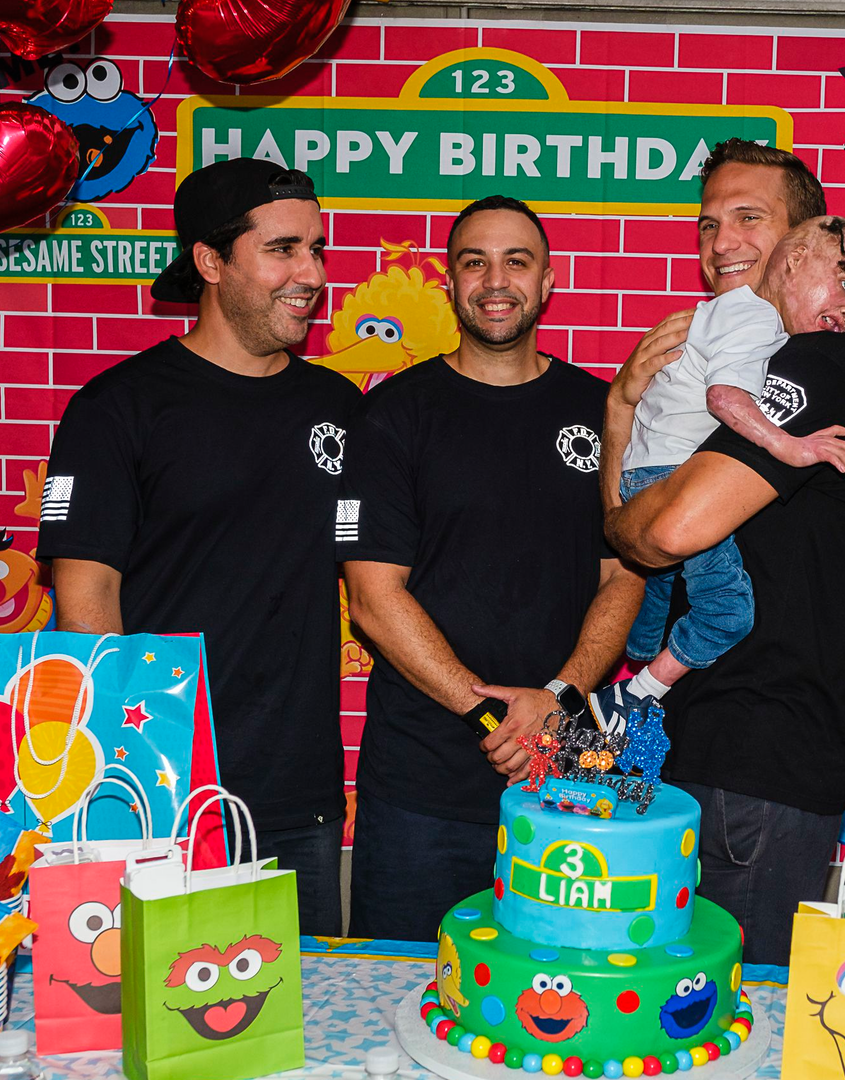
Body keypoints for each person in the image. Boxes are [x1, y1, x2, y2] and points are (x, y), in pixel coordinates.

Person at [40, 158, 360, 937]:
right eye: (284, 249)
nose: (310, 273)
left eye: (316, 251)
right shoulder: (118, 408)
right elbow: (86, 603)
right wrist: (134, 778)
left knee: (304, 1028)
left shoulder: (337, 406)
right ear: (210, 262)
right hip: (163, 795)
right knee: (167, 1022)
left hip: (299, 794)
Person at [601, 141, 845, 964]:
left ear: (809, 236)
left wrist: (631, 523)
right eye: (708, 223)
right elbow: (632, 541)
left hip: (756, 761)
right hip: (687, 745)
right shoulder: (733, 354)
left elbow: (660, 532)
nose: (721, 241)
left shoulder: (820, 360)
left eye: (748, 218)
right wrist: (622, 416)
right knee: (654, 1011)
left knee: (735, 1021)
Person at [339, 195, 643, 942]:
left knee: (566, 1008)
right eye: (474, 262)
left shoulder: (601, 410)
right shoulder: (394, 415)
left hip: (572, 781)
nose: (495, 280)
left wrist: (556, 699)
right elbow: (374, 599)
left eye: (517, 261)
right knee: (397, 998)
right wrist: (499, 718)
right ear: (449, 283)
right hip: (420, 788)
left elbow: (626, 574)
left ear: (548, 281)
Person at [592, 216, 845, 731]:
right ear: (794, 261)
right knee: (728, 612)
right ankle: (633, 695)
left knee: (657, 587)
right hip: (670, 474)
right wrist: (787, 445)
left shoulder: (732, 316)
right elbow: (725, 398)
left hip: (644, 474)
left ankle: (639, 650)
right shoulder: (755, 323)